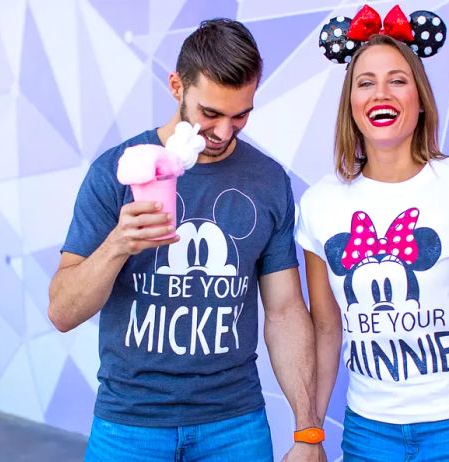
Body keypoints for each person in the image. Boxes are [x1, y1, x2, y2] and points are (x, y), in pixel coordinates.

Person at [48, 18, 324, 462]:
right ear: (176, 86)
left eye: (241, 115)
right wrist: (118, 242)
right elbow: (62, 311)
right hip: (128, 424)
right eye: (210, 113)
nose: (222, 132)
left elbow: (286, 310)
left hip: (235, 423)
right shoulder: (115, 170)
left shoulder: (268, 180)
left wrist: (308, 430)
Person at [296, 34, 449, 461]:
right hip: (369, 432)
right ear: (350, 103)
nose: (381, 93)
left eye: (397, 80)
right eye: (365, 83)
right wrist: (309, 434)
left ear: (421, 98)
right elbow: (325, 331)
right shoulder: (320, 204)